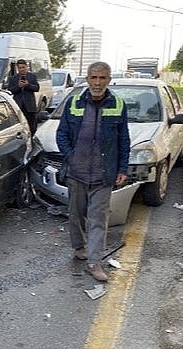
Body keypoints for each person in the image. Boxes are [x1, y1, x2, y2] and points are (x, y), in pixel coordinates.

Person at [56, 61, 130, 282]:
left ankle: (94, 262)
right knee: (76, 214)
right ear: (87, 79)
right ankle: (80, 247)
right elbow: (62, 135)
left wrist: (122, 168)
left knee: (98, 219)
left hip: (103, 174)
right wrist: (72, 156)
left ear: (109, 80)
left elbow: (123, 140)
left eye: (103, 78)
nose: (98, 82)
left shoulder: (118, 104)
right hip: (76, 173)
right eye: (94, 78)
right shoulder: (73, 103)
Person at [8, 59, 40, 135]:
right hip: (18, 106)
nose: (22, 69)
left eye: (23, 67)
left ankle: (32, 140)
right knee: (20, 126)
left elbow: (37, 88)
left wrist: (28, 85)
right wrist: (18, 86)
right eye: (20, 68)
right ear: (17, 68)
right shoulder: (13, 78)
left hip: (30, 106)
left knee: (32, 126)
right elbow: (10, 90)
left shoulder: (32, 76)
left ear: (26, 67)